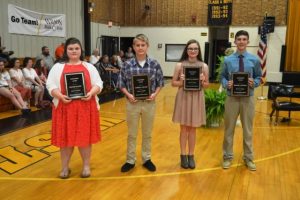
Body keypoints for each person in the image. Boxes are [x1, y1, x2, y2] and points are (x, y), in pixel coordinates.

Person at [46, 37, 103, 179]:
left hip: (86, 107)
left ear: (81, 50)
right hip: (64, 108)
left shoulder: (89, 67)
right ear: (65, 50)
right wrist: (59, 95)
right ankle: (65, 168)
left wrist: (90, 93)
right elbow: (50, 86)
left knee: (84, 139)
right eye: (71, 48)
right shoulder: (57, 67)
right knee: (65, 140)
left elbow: (99, 84)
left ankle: (86, 166)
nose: (74, 51)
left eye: (76, 48)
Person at [118, 34, 164, 172]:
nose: (140, 48)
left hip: (149, 104)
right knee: (132, 134)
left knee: (147, 133)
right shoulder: (126, 65)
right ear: (133, 47)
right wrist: (129, 95)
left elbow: (160, 82)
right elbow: (121, 83)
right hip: (132, 103)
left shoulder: (154, 64)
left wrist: (154, 94)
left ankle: (147, 159)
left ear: (147, 46)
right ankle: (130, 160)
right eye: (137, 45)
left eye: (143, 45)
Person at [220, 30, 262, 171]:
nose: (242, 41)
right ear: (235, 41)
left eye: (244, 39)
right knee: (229, 130)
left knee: (248, 130)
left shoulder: (255, 60)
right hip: (231, 99)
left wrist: (253, 82)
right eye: (239, 39)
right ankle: (227, 157)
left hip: (247, 99)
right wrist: (227, 84)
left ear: (248, 42)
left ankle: (249, 158)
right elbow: (223, 77)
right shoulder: (228, 60)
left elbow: (259, 77)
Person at [172, 39, 209, 169]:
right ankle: (183, 155)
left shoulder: (204, 66)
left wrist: (203, 80)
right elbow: (173, 83)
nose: (193, 51)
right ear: (186, 50)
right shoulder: (179, 65)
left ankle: (191, 155)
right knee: (183, 129)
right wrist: (181, 82)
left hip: (197, 98)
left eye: (195, 49)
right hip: (184, 97)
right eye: (190, 49)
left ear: (198, 51)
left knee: (193, 129)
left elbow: (207, 85)